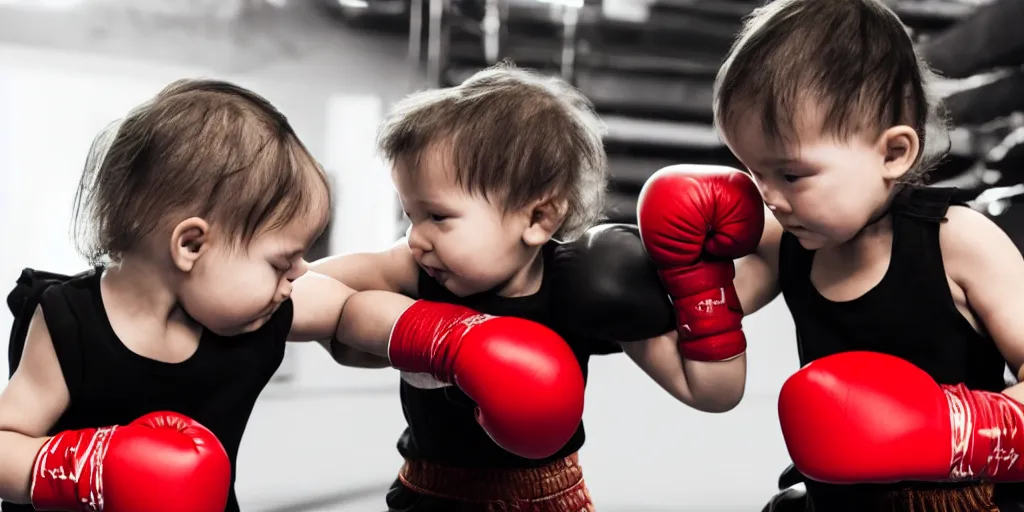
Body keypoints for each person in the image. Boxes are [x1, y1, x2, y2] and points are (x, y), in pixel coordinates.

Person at [0, 78, 587, 512]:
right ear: (192, 245)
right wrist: (83, 470)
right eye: (283, 259)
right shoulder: (69, 322)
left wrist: (447, 341)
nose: (300, 272)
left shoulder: (258, 310)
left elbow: (350, 311)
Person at [313, 63, 763, 511]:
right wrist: (406, 332)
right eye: (410, 215)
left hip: (547, 499)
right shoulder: (412, 267)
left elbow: (712, 390)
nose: (416, 236)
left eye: (438, 217)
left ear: (537, 219)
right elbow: (302, 289)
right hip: (428, 492)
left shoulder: (586, 289)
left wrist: (697, 278)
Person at [630, 0, 1024, 510]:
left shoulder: (959, 242)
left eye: (791, 174)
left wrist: (945, 430)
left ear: (892, 153)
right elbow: (711, 375)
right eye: (753, 171)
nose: (767, 196)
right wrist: (629, 307)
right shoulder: (783, 241)